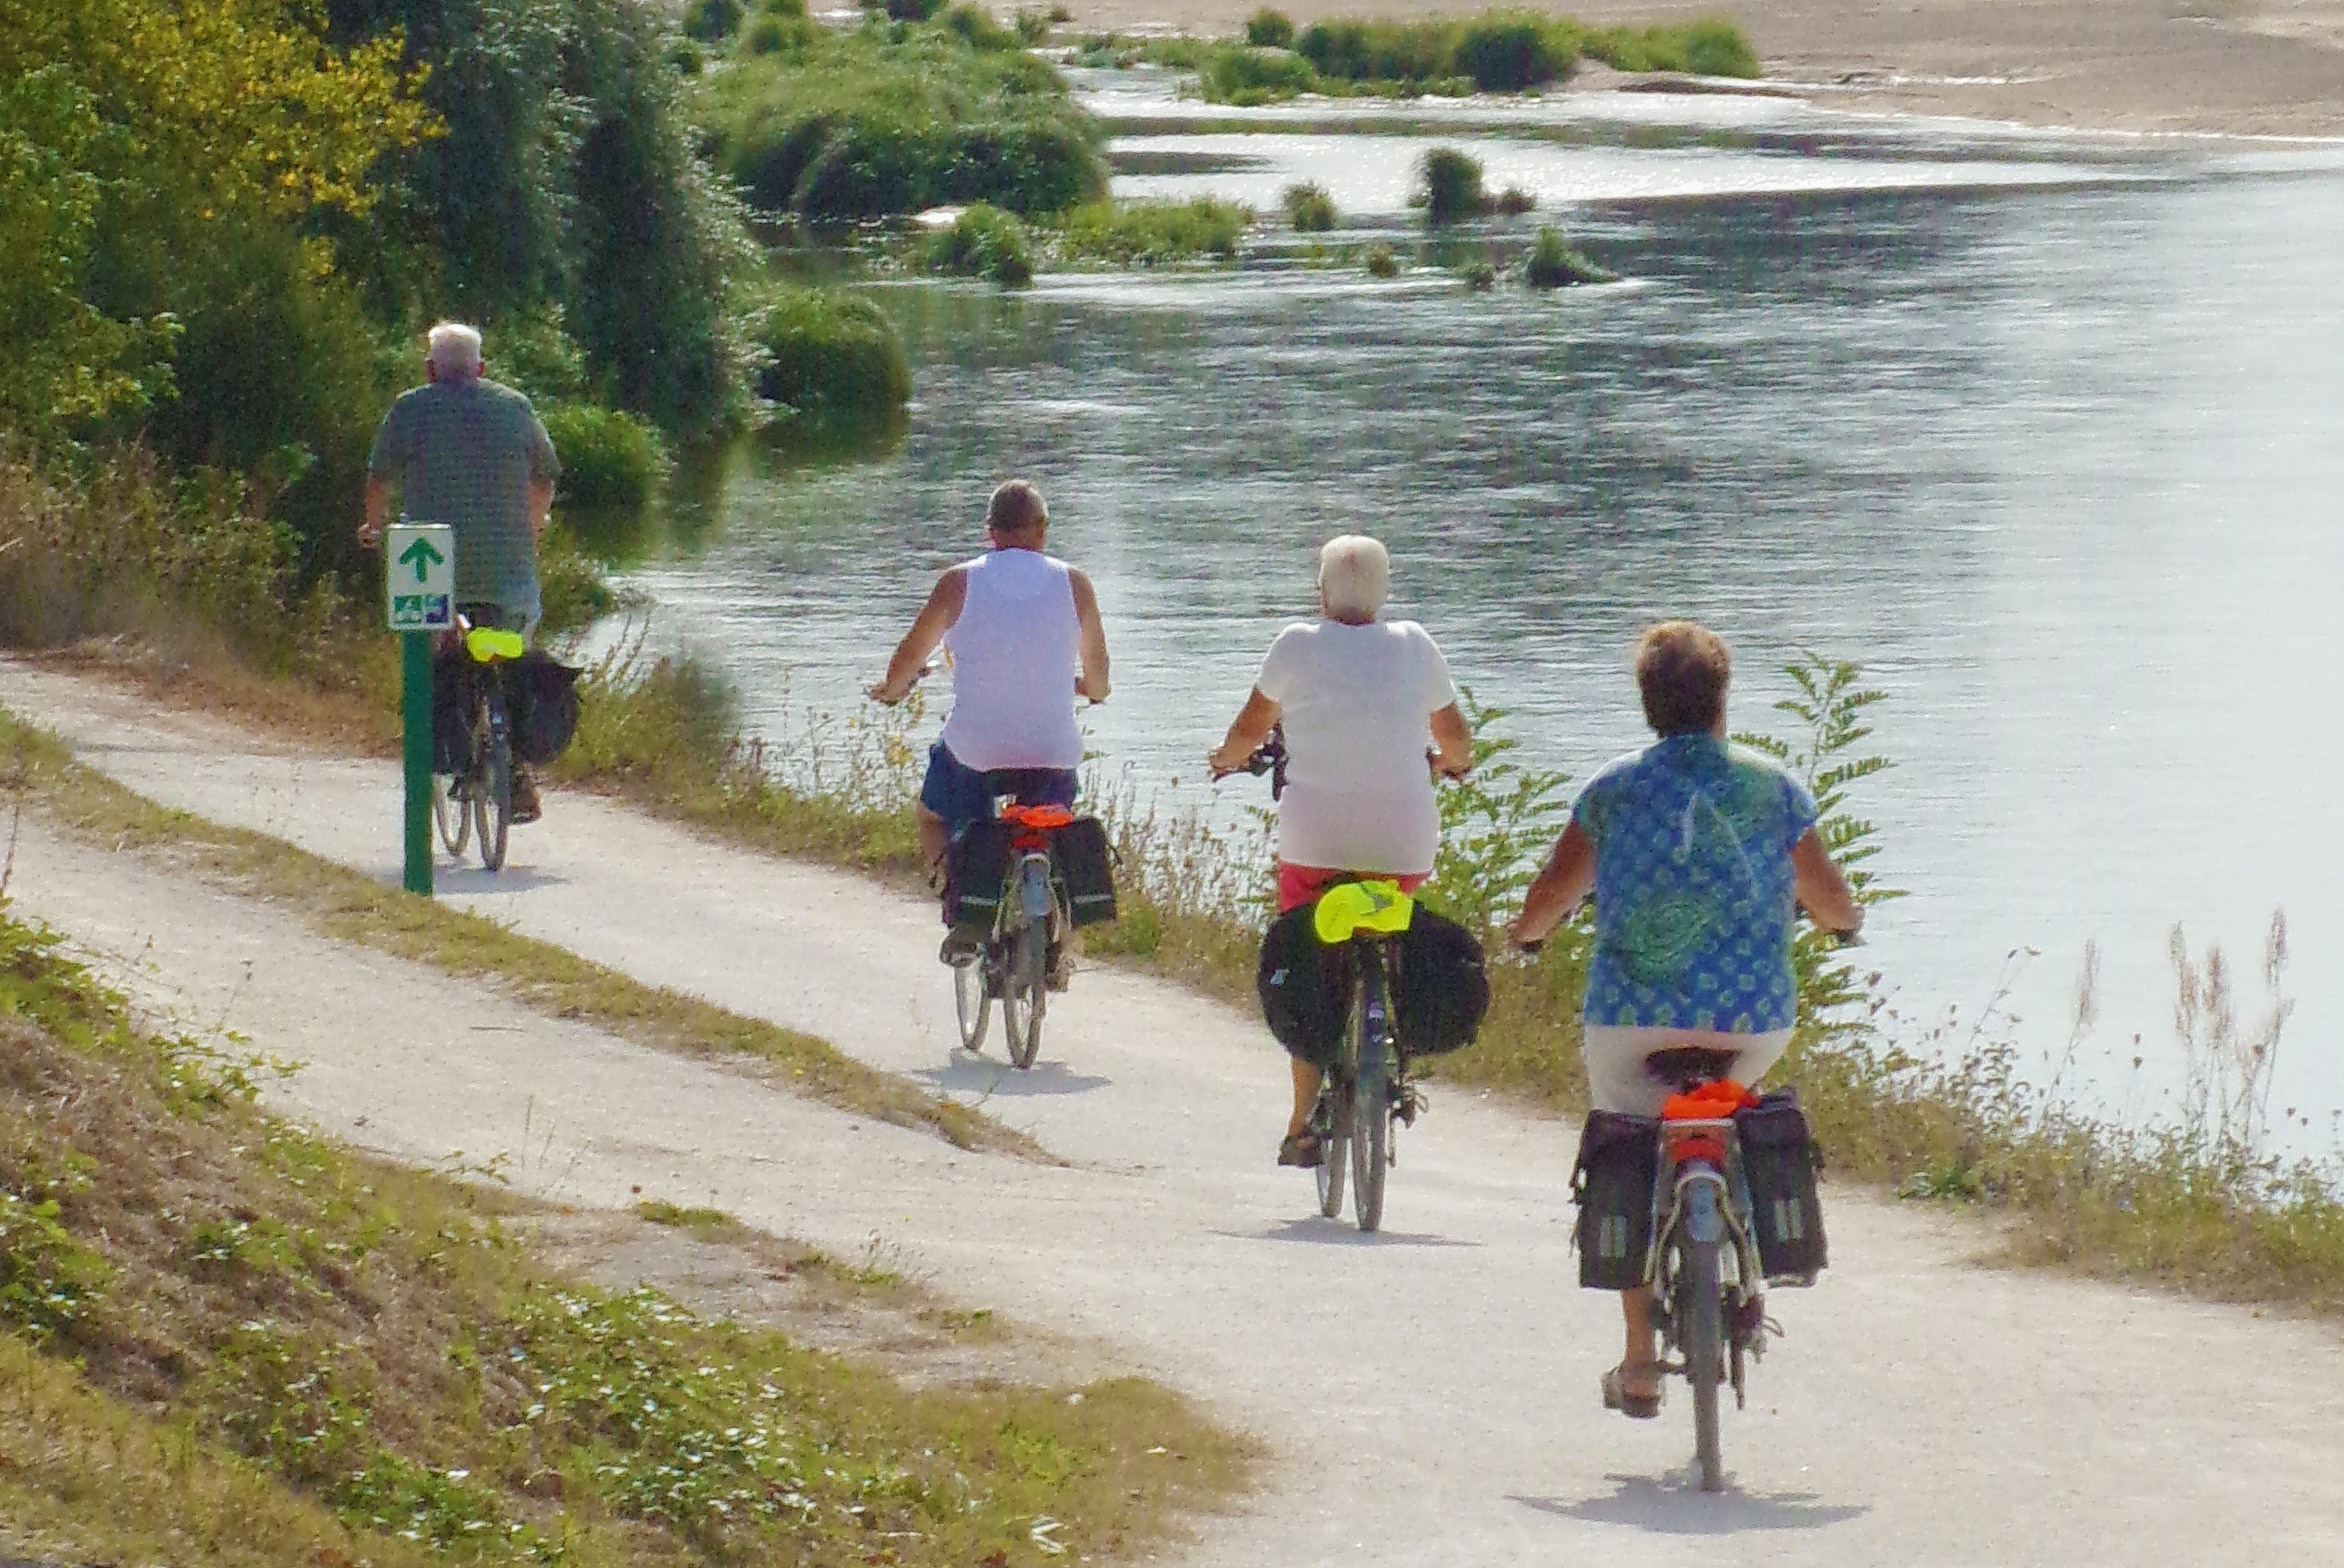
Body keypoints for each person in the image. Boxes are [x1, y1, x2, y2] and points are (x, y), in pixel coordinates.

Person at [1507, 619, 1862, 1420]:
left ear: (1645, 703)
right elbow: (1829, 897)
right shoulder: (1771, 787)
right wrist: (1843, 924)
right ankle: (1738, 1231)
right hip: (1749, 1022)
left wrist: (1526, 937)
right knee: (1735, 1095)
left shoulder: (1612, 791)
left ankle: (1637, 1359)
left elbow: (1551, 899)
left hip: (1631, 1022)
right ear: (1721, 699)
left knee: (1625, 1147)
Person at [1207, 535, 1472, 1167]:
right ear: (1384, 593)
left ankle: (1301, 1124)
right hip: (1400, 843)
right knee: (1391, 924)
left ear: (1320, 591)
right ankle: (1392, 1045)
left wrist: (1225, 760)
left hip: (1313, 843)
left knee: (1309, 964)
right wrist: (1447, 764)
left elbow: (1248, 732)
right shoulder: (1414, 645)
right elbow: (1457, 742)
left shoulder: (1295, 644)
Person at [869, 479, 1111, 973]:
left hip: (976, 751)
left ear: (989, 532)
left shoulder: (959, 582)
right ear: (1041, 530)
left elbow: (909, 657)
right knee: (1050, 824)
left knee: (934, 817)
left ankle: (961, 907)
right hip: (1052, 750)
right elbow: (1101, 678)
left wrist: (892, 691)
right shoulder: (1075, 583)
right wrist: (1087, 688)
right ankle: (1058, 936)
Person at [358, 321, 560, 822]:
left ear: (429, 369)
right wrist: (534, 524)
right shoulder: (515, 407)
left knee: (430, 651)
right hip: (507, 573)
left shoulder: (410, 408)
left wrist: (372, 526)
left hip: (431, 568)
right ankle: (512, 762)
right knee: (513, 644)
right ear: (482, 368)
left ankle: (446, 747)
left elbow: (379, 477)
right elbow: (547, 473)